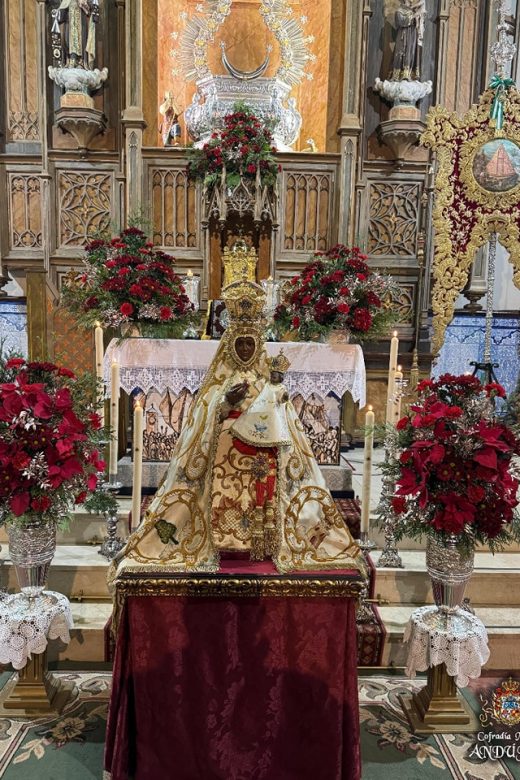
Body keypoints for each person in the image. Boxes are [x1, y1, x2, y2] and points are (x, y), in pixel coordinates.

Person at [112, 279, 362, 576]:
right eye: (240, 343)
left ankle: (270, 536)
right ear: (230, 345)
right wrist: (225, 404)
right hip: (224, 448)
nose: (245, 349)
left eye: (250, 344)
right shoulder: (220, 381)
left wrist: (275, 395)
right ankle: (217, 536)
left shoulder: (267, 379)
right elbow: (203, 414)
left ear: (258, 347)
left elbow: (283, 417)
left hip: (265, 450)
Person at [390, 0, 425, 81]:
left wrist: (419, 18)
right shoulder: (399, 11)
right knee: (401, 53)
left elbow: (419, 25)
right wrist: (414, 16)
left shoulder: (414, 10)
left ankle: (409, 74)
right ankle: (398, 74)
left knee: (411, 53)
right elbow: (400, 22)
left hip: (412, 36)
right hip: (403, 36)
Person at [58, 0, 98, 69]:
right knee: (68, 40)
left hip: (81, 20)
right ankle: (71, 60)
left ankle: (81, 61)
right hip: (69, 21)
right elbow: (63, 7)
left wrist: (85, 4)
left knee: (81, 40)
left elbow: (90, 8)